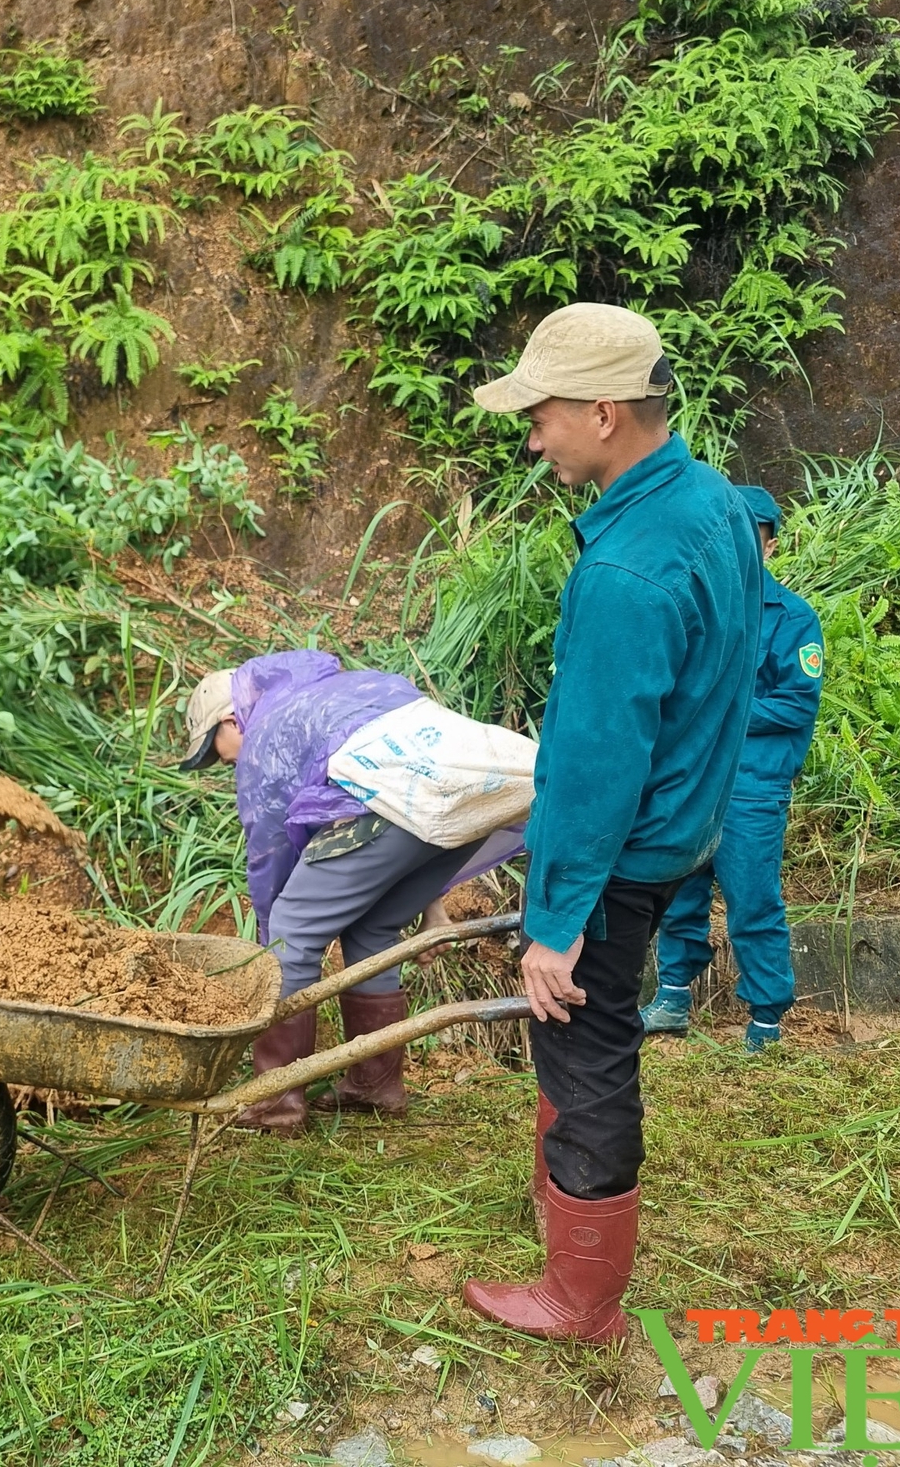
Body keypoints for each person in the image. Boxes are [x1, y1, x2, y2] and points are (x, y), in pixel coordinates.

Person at [455, 303, 761, 1342]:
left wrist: (556, 921)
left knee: (583, 1045)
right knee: (581, 1035)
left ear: (600, 413)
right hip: (679, 824)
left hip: (624, 842)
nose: (530, 437)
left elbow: (593, 765)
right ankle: (563, 1217)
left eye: (538, 416)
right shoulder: (711, 502)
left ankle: (579, 1301)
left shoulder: (624, 572)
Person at [178, 653, 519, 1132]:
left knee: (292, 933)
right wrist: (433, 908)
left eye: (217, 748)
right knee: (374, 925)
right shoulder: (342, 691)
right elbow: (424, 787)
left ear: (232, 717)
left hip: (408, 797)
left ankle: (274, 1103)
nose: (224, 760)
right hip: (480, 785)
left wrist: (272, 939)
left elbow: (270, 850)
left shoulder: (267, 733)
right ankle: (375, 1086)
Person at [643, 485, 823, 1051]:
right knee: (678, 891)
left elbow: (796, 702)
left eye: (755, 536)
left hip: (750, 786)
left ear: (770, 545)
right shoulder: (699, 610)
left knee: (752, 900)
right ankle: (673, 996)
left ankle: (766, 1020)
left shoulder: (792, 619)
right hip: (694, 779)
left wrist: (719, 704)